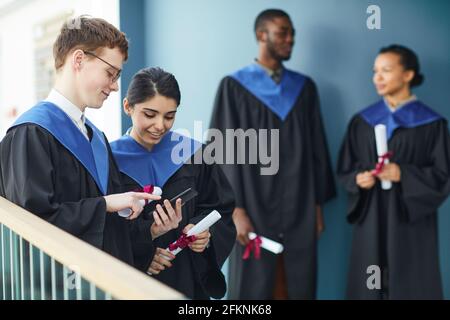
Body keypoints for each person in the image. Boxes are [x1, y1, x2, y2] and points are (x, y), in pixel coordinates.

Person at [0, 16, 179, 268]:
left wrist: (149, 230)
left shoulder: (96, 138)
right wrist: (104, 204)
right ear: (79, 60)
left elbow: (111, 233)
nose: (116, 86)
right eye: (110, 73)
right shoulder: (31, 133)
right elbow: (32, 227)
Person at [209, 9, 336, 299]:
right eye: (283, 33)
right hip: (252, 203)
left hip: (300, 204)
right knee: (254, 286)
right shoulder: (235, 86)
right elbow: (225, 150)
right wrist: (235, 210)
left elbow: (317, 148)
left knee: (298, 282)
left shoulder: (305, 89)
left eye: (292, 33)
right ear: (261, 35)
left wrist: (316, 206)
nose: (290, 39)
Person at [110, 67, 236, 299]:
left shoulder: (194, 154)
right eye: (150, 114)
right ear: (128, 107)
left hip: (187, 279)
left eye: (169, 116)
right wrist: (143, 255)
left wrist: (204, 234)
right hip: (133, 283)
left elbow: (219, 207)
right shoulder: (109, 161)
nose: (160, 125)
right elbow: (104, 228)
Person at [337, 44, 450, 299]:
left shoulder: (432, 124)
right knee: (369, 284)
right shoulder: (362, 121)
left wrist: (404, 175)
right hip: (371, 217)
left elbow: (444, 176)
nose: (377, 77)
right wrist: (358, 179)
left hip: (411, 220)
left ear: (408, 75)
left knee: (410, 282)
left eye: (386, 70)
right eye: (375, 71)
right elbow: (345, 169)